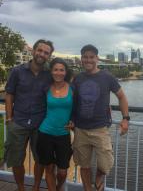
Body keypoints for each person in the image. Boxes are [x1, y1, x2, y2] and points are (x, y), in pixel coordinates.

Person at [72, 44, 129, 191]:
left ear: (97, 58)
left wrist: (125, 118)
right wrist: (70, 119)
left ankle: (98, 177)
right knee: (84, 166)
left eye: (91, 57)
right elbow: (71, 101)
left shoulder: (107, 76)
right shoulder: (77, 78)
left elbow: (121, 97)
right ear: (81, 59)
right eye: (85, 57)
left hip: (100, 129)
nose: (88, 60)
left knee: (105, 164)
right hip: (80, 129)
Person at [4, 39, 54, 191]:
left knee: (40, 159)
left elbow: (65, 89)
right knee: (16, 160)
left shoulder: (50, 74)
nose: (42, 54)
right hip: (18, 122)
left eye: (46, 53)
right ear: (33, 51)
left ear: (49, 56)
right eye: (40, 50)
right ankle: (20, 188)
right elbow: (9, 94)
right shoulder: (17, 71)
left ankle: (36, 187)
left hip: (40, 124)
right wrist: (8, 119)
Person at [36, 58, 73, 191]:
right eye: (55, 69)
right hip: (45, 132)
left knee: (62, 172)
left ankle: (57, 188)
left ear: (65, 72)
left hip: (63, 134)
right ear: (51, 72)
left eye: (61, 70)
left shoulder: (72, 88)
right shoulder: (46, 88)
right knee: (49, 168)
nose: (58, 72)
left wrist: (73, 120)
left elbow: (80, 107)